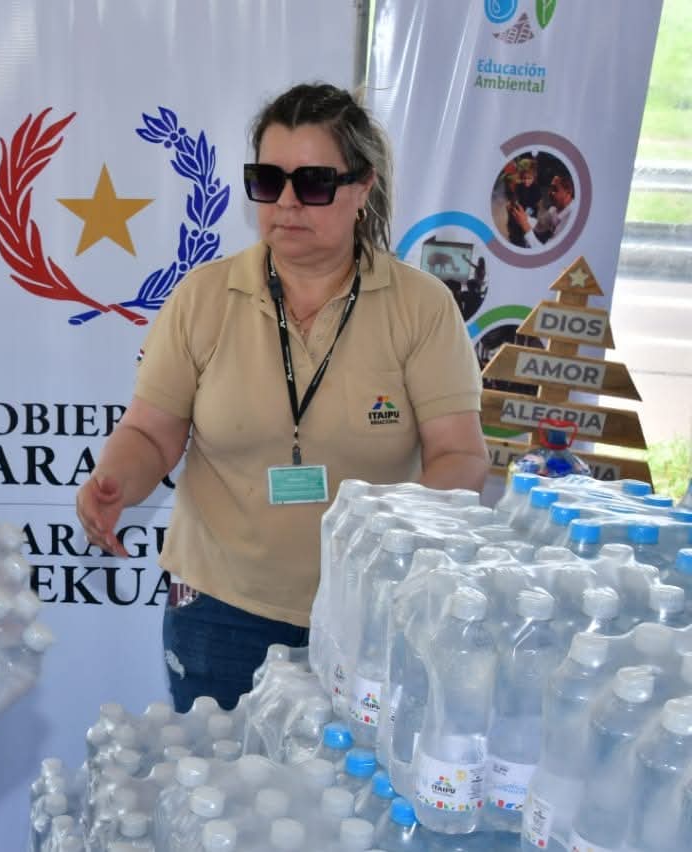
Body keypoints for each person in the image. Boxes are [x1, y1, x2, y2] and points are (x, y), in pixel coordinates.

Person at [75, 83, 487, 712]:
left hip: (372, 615)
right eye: (268, 180)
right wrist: (114, 480)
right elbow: (152, 434)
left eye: (314, 182)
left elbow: (458, 455)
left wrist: (397, 561)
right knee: (219, 797)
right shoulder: (204, 297)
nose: (288, 203)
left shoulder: (422, 307)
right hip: (222, 610)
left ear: (361, 188)